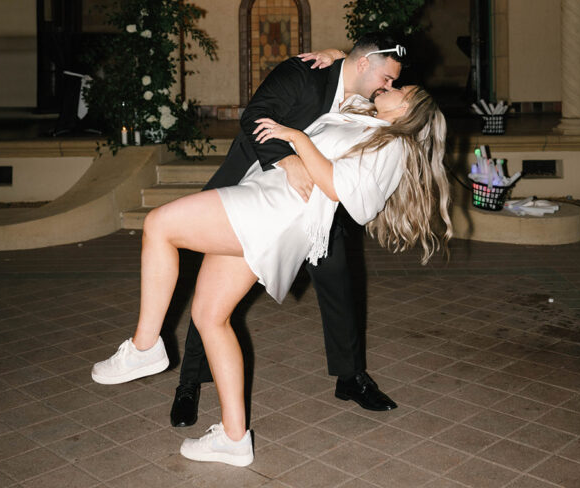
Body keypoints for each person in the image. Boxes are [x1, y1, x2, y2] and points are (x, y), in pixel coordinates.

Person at [91, 82, 451, 468]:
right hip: (268, 199)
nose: (390, 86)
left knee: (160, 224)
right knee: (210, 318)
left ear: (410, 108)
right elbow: (353, 74)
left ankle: (145, 347)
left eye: (402, 88)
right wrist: (334, 54)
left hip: (275, 209)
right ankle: (233, 438)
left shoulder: (393, 146)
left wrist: (296, 138)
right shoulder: (364, 119)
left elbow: (343, 193)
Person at [166, 32, 405, 428]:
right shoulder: (305, 73)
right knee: (213, 291)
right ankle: (189, 383)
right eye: (387, 78)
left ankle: (350, 377)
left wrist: (341, 53)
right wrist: (287, 161)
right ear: (364, 66)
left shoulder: (369, 98)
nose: (389, 86)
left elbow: (399, 107)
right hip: (251, 187)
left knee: (340, 285)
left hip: (316, 211)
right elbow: (255, 114)